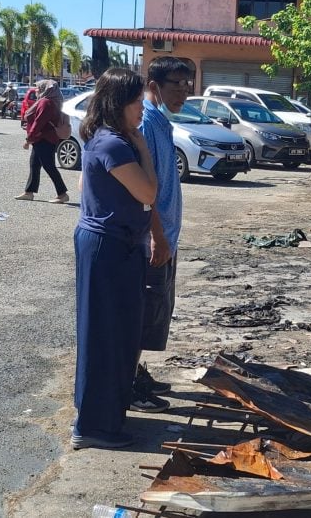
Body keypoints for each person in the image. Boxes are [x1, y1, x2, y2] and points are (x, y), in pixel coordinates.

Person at [71, 68, 158, 449]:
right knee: (106, 336)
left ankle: (103, 419)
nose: (142, 107)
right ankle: (93, 427)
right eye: (137, 101)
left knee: (117, 333)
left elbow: (83, 184)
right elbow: (149, 192)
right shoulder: (115, 145)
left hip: (113, 245)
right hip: (109, 247)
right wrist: (142, 148)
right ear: (118, 103)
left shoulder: (102, 139)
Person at [130, 57, 192, 413]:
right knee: (143, 315)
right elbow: (146, 191)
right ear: (154, 85)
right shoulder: (148, 124)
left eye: (187, 84)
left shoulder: (159, 122)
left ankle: (136, 372)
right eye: (176, 85)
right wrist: (158, 236)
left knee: (154, 314)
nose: (184, 91)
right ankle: (129, 385)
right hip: (156, 238)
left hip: (166, 233)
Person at [14, 79, 69, 204]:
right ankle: (29, 192)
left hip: (44, 139)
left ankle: (62, 194)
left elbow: (39, 123)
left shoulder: (45, 102)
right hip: (41, 138)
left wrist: (28, 139)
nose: (36, 90)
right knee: (34, 164)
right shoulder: (48, 101)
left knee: (49, 166)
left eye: (39, 88)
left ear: (46, 89)